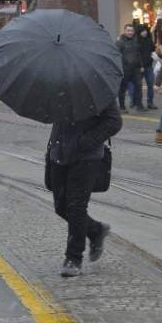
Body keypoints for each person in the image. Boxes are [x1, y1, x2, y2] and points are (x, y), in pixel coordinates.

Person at [48, 101, 122, 277]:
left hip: (86, 157)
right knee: (61, 207)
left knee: (76, 207)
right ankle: (95, 230)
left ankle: (73, 258)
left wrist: (86, 142)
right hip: (59, 153)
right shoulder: (55, 85)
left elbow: (113, 121)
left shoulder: (97, 88)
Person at [116, 24, 147, 113]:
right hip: (125, 69)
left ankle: (139, 106)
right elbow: (116, 55)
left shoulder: (135, 40)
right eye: (128, 31)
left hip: (136, 69)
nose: (130, 32)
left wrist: (141, 65)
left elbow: (138, 54)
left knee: (138, 86)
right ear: (125, 31)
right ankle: (122, 107)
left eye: (131, 31)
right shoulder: (120, 42)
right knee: (122, 89)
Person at [136, 24, 157, 109]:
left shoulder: (149, 40)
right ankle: (137, 102)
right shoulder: (136, 41)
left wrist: (154, 58)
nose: (144, 32)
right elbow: (136, 54)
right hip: (139, 66)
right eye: (143, 31)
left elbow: (152, 51)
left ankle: (150, 102)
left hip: (148, 65)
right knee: (138, 85)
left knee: (150, 84)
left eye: (145, 31)